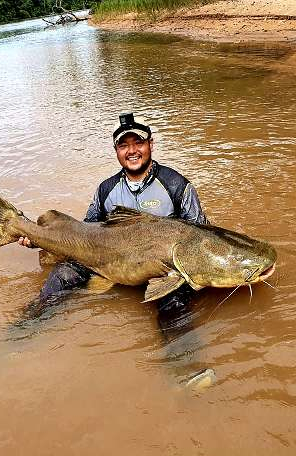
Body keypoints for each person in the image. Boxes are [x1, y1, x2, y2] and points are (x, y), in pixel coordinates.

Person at [19, 113, 209, 315]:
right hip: (105, 264)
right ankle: (23, 330)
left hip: (166, 272)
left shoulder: (176, 185)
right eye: (123, 145)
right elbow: (84, 234)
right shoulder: (105, 189)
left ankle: (181, 347)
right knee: (60, 277)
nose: (132, 151)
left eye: (138, 143)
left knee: (174, 308)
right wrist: (37, 238)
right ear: (116, 150)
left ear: (151, 144)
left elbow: (201, 235)